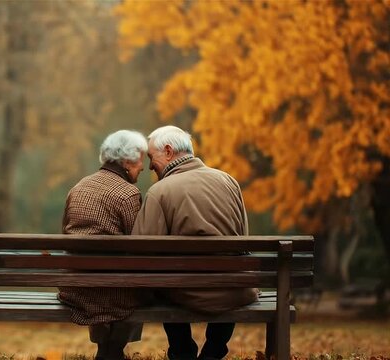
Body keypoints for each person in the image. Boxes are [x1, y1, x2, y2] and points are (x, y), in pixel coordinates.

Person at [132, 125, 258, 360]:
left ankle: (182, 350)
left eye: (151, 157)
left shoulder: (159, 192)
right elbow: (244, 240)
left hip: (186, 292)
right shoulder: (229, 181)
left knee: (160, 284)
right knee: (229, 280)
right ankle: (215, 348)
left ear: (168, 152)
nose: (150, 166)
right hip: (235, 289)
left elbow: (142, 252)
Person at [58, 129, 148, 360]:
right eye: (140, 159)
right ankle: (115, 349)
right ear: (127, 161)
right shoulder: (128, 194)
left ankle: (105, 350)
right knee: (141, 284)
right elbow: (137, 246)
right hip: (115, 295)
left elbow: (64, 235)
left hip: (76, 290)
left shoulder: (77, 188)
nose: (143, 166)